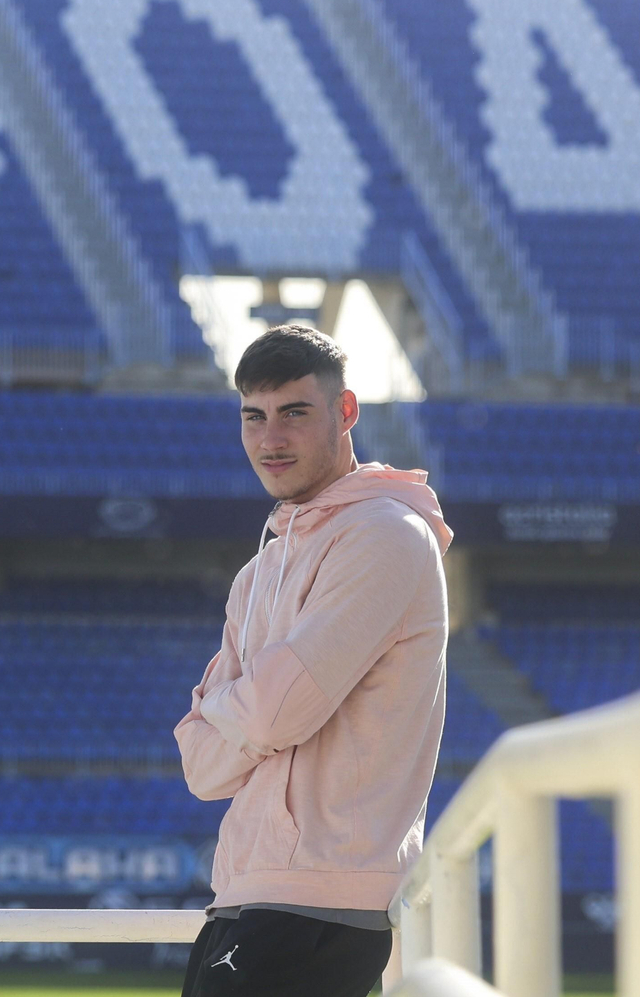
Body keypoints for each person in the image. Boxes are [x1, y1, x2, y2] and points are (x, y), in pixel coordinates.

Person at [176, 325, 453, 997]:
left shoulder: (386, 534)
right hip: (244, 893)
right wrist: (253, 708)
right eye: (254, 417)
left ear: (346, 411)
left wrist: (229, 706)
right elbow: (201, 768)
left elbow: (275, 716)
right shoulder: (258, 572)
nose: (271, 438)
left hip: (323, 901)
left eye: (294, 412)